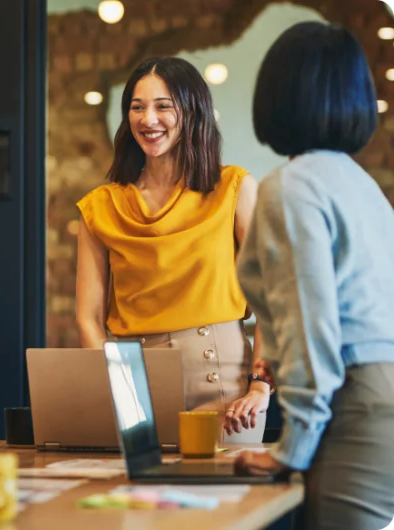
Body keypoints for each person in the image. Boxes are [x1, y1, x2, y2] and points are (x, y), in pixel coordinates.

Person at [233, 21, 394, 528]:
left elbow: (310, 324)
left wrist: (290, 448)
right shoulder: (360, 183)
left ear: (278, 94)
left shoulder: (293, 187)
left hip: (358, 405)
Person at [75, 57, 268, 443]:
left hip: (223, 382)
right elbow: (88, 318)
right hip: (133, 377)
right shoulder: (100, 205)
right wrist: (119, 387)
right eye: (137, 106)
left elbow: (273, 301)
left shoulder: (233, 188)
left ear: (192, 110)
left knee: (220, 502)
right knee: (135, 501)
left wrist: (260, 386)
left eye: (164, 106)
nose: (149, 119)